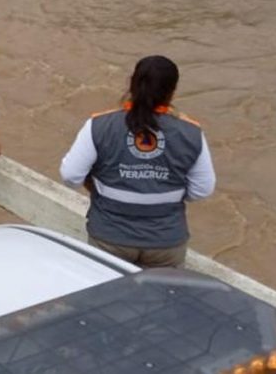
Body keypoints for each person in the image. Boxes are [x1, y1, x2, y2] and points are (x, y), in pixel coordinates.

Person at [60, 55, 215, 268]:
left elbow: (71, 175)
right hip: (166, 242)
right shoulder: (191, 132)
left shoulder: (99, 125)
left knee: (109, 299)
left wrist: (97, 187)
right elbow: (202, 189)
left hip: (110, 237)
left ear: (131, 83)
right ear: (173, 90)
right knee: (161, 300)